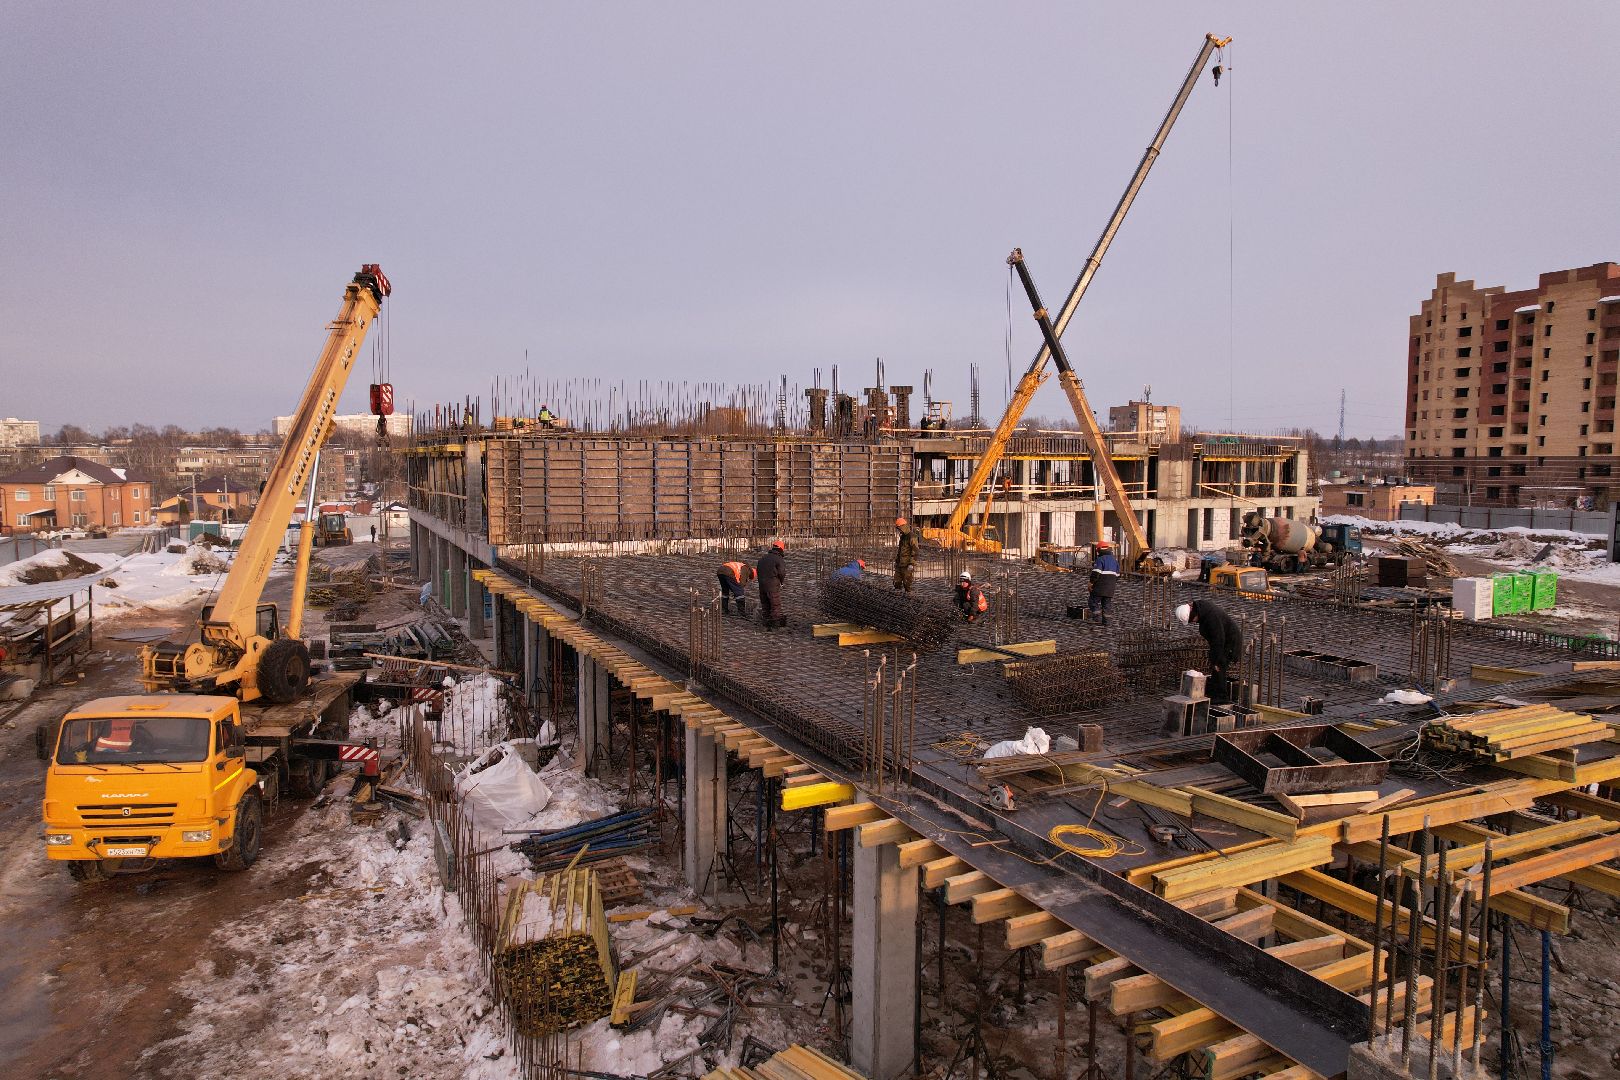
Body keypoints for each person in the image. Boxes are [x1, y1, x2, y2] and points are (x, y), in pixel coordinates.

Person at [1177, 600, 1243, 703]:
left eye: (1192, 620)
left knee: (1219, 668)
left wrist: (1216, 660)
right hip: (1224, 641)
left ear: (1193, 613)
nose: (1193, 622)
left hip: (1230, 643)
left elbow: (1218, 640)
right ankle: (1214, 693)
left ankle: (1222, 697)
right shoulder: (1202, 609)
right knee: (1216, 667)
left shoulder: (1211, 617)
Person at [1088, 540, 1120, 626]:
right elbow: (1117, 576)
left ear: (1099, 550)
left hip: (1099, 587)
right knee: (1106, 605)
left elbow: (1096, 573)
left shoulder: (1100, 559)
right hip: (1110, 588)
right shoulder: (1115, 561)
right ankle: (1107, 622)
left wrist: (1091, 583)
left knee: (1093, 602)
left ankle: (1097, 618)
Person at [757, 539, 787, 629]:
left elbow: (758, 571)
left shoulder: (763, 558)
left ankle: (766, 622)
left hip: (762, 585)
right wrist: (781, 582)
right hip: (772, 586)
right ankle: (776, 623)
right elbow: (782, 572)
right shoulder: (778, 559)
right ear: (781, 549)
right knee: (775, 605)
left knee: (765, 605)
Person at [893, 517, 918, 593]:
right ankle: (898, 599)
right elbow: (900, 550)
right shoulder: (902, 537)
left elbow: (915, 550)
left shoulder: (912, 536)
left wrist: (911, 563)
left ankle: (909, 600)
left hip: (907, 565)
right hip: (900, 564)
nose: (899, 530)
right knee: (896, 582)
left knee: (907, 584)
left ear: (903, 526)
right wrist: (897, 561)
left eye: (899, 528)